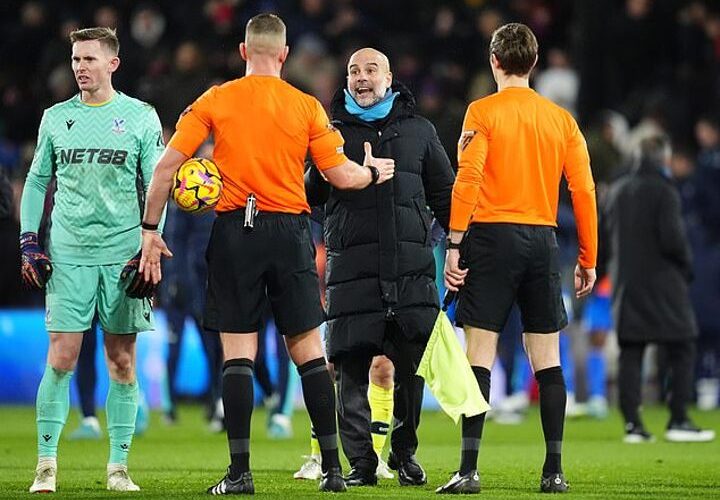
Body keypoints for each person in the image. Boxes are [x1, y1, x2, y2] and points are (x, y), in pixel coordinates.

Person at [138, 14, 395, 495]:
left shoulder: (217, 99)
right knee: (309, 354)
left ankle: (240, 474)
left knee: (238, 354)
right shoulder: (305, 105)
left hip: (236, 229)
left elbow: (167, 167)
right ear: (283, 55)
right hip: (290, 230)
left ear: (242, 52)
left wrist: (150, 230)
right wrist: (373, 173)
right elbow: (340, 176)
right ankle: (334, 471)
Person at [442, 23, 598, 494]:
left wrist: (452, 243)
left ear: (494, 61)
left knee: (479, 358)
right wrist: (589, 255)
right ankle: (554, 471)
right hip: (541, 240)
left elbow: (467, 178)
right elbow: (584, 189)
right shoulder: (560, 119)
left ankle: (468, 470)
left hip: (490, 237)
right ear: (533, 63)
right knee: (546, 359)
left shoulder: (481, 111)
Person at [20, 27, 163, 493]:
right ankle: (46, 465)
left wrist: (151, 244)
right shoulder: (55, 117)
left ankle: (118, 468)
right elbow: (38, 181)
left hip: (122, 255)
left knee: (121, 361)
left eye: (89, 59)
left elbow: (156, 189)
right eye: (76, 59)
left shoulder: (140, 117)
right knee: (61, 357)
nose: (80, 67)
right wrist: (29, 240)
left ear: (112, 64)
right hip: (68, 253)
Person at [304, 47, 455, 488]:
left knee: (411, 372)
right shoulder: (329, 134)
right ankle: (362, 463)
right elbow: (310, 193)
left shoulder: (420, 131)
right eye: (354, 70)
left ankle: (405, 454)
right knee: (350, 371)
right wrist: (337, 171)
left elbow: (445, 195)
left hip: (408, 270)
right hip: (352, 269)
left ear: (390, 77)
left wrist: (460, 248)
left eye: (371, 70)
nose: (362, 77)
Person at [603, 134, 716, 444]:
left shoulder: (617, 191)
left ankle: (632, 425)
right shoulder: (664, 191)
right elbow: (673, 239)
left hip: (626, 284)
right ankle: (678, 417)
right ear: (663, 159)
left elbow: (606, 237)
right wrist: (687, 267)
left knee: (631, 350)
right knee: (682, 344)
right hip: (664, 283)